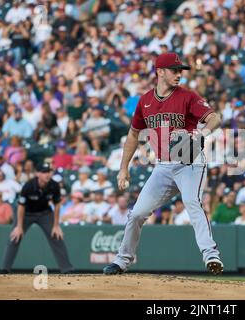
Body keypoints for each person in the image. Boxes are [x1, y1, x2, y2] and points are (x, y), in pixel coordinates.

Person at [103, 52, 223, 276]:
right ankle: (121, 261)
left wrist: (202, 132)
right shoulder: (146, 100)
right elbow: (133, 135)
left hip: (190, 162)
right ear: (160, 72)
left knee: (192, 202)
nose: (179, 74)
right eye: (174, 70)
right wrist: (123, 168)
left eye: (181, 71)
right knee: (137, 213)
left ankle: (211, 256)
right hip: (163, 166)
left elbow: (214, 118)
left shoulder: (187, 96)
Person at [0, 163, 74, 274]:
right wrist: (19, 226)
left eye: (48, 171)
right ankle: (4, 270)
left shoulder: (54, 185)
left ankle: (67, 270)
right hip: (26, 213)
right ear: (37, 174)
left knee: (56, 236)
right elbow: (21, 206)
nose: (47, 174)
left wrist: (56, 225)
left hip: (45, 213)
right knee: (15, 236)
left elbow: (57, 204)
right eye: (44, 172)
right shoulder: (29, 186)